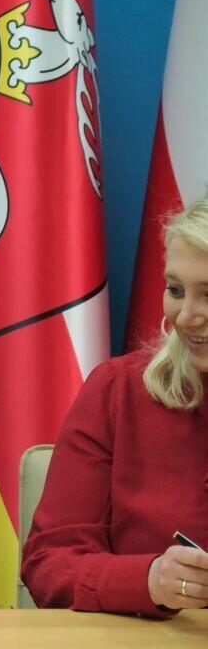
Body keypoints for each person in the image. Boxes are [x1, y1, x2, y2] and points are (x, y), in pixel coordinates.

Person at [23, 200, 208, 616]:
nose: (186, 317)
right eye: (176, 290)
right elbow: (49, 563)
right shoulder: (119, 391)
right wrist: (149, 581)